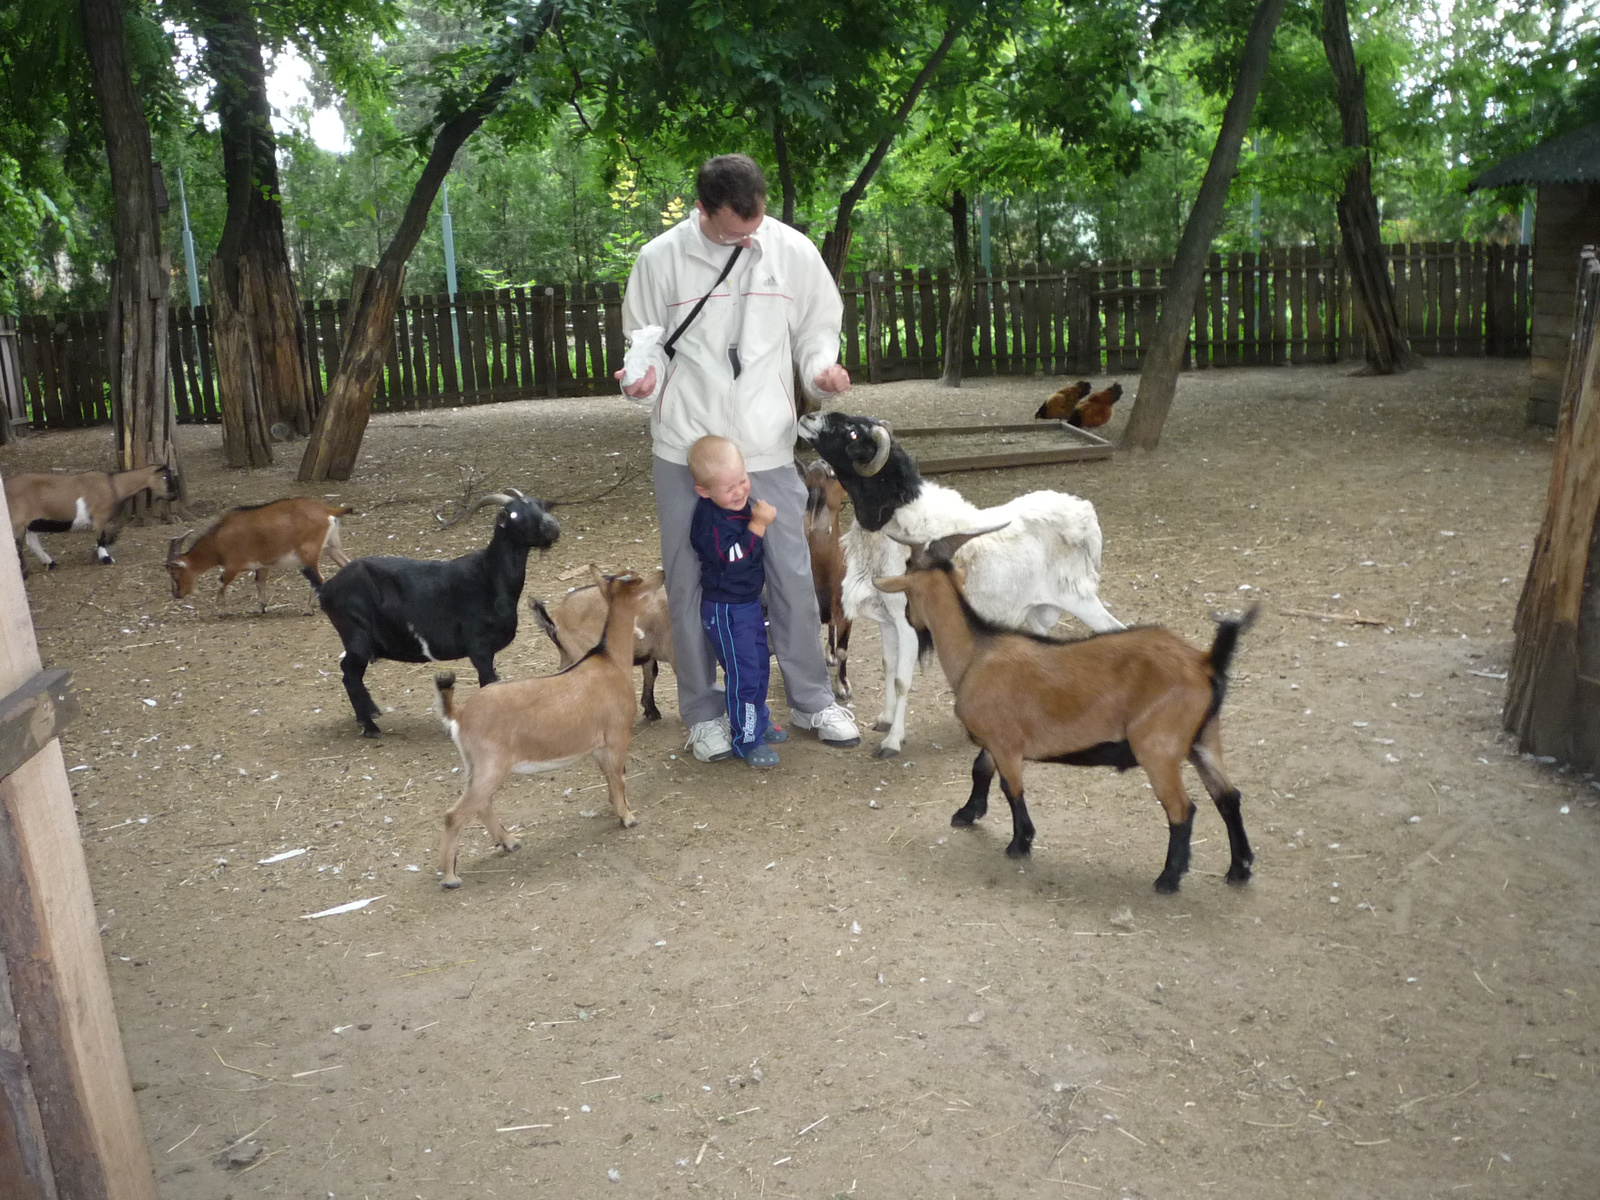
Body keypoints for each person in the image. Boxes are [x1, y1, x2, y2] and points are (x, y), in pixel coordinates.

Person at [617, 153, 860, 762]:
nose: (749, 238)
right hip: (688, 449)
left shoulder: (793, 251)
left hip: (764, 443)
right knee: (689, 577)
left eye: (756, 225)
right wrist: (641, 380)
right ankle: (703, 711)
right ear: (703, 210)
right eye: (734, 230)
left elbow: (815, 328)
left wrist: (820, 370)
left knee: (791, 572)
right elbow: (646, 343)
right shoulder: (659, 260)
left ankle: (809, 697)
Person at [688, 436, 787, 767]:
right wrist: (757, 526)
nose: (740, 492)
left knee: (757, 665)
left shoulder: (734, 505)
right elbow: (732, 557)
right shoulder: (709, 520)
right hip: (726, 611)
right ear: (704, 491)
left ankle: (757, 720)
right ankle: (746, 738)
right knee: (743, 672)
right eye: (729, 488)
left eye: (742, 481)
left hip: (747, 605)